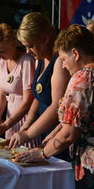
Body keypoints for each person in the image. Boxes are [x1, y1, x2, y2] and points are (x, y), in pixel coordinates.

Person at [15, 24, 94, 188]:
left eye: (63, 59)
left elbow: (69, 134)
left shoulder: (83, 78)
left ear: (75, 53)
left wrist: (42, 153)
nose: (63, 66)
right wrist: (55, 133)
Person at [8, 12, 71, 160]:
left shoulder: (60, 62)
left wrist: (29, 134)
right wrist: (27, 125)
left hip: (58, 136)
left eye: (31, 46)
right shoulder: (40, 59)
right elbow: (39, 96)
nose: (28, 51)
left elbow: (57, 106)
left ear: (45, 38)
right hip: (44, 132)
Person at [0, 23, 39, 147]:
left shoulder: (27, 62)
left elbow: (28, 101)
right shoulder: (3, 61)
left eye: (2, 51)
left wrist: (5, 124)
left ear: (13, 43)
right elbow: (2, 92)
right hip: (10, 119)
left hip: (24, 120)